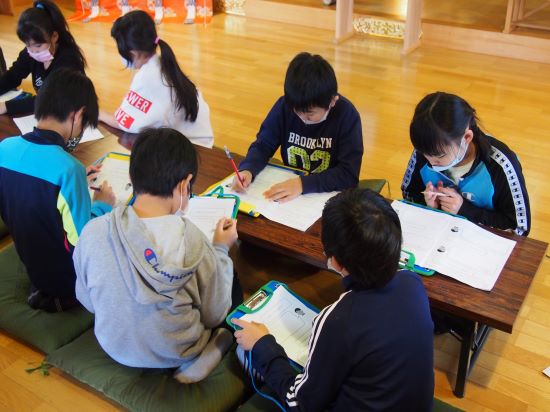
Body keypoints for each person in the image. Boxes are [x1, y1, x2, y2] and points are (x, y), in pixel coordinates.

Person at [233, 189, 434, 411]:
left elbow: (298, 402)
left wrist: (263, 345)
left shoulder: (338, 320)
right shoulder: (413, 283)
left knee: (246, 353)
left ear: (335, 262)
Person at [74, 127, 239, 383]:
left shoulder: (93, 231)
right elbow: (215, 313)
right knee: (231, 289)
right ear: (184, 185)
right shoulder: (193, 240)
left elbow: (87, 300)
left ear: (132, 176)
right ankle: (205, 356)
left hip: (113, 345)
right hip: (179, 351)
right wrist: (219, 248)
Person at [0, 68, 115, 312]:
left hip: (31, 260)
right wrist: (102, 205)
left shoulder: (5, 149)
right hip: (67, 283)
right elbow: (83, 242)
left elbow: (30, 192)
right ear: (79, 115)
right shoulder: (68, 169)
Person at [232, 52, 363, 203]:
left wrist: (302, 184)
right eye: (297, 111)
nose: (302, 118)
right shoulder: (284, 106)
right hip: (291, 189)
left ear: (332, 101)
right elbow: (263, 145)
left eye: (310, 114)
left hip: (327, 195)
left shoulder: (347, 115)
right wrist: (248, 169)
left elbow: (348, 174)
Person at [401, 92, 530, 236]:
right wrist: (430, 205)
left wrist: (464, 210)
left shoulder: (501, 165)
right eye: (425, 155)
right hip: (437, 234)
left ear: (467, 137)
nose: (431, 164)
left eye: (439, 157)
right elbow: (408, 193)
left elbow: (519, 228)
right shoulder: (427, 149)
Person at [99, 10, 214, 148]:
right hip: (197, 143)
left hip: (189, 150)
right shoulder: (162, 63)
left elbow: (127, 123)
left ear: (133, 53)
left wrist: (98, 114)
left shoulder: (148, 77)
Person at [0, 0, 87, 115]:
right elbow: (13, 76)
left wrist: (7, 106)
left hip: (71, 114)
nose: (34, 51)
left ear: (54, 36)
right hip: (46, 111)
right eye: (28, 45)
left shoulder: (68, 60)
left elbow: (52, 99)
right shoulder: (30, 53)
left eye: (38, 45)